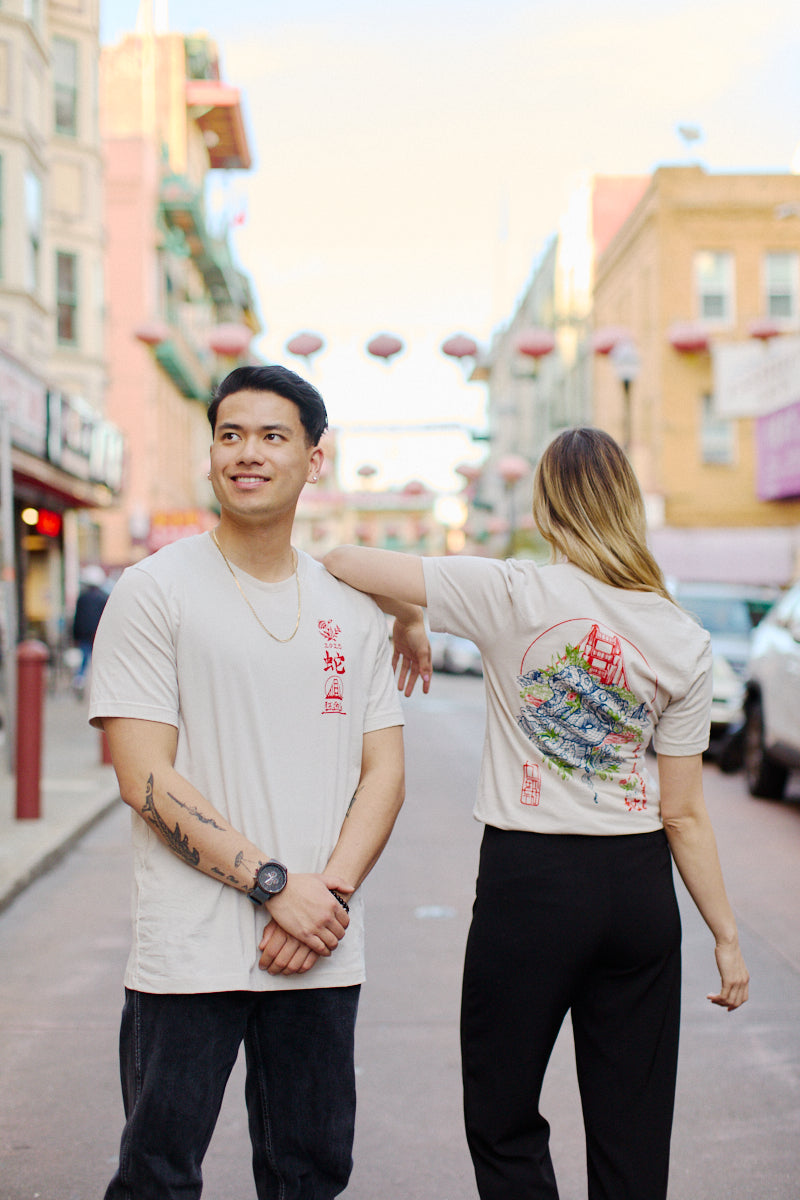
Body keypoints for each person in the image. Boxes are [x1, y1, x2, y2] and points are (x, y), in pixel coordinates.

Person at [324, 426, 750, 1200]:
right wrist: (725, 936)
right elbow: (685, 814)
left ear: (548, 509)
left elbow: (343, 562)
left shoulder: (511, 592)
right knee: (633, 1128)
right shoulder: (682, 636)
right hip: (639, 888)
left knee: (502, 1112)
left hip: (533, 884)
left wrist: (410, 618)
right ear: (627, 508)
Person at [89, 364, 422, 1200]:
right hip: (190, 951)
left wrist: (326, 897)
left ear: (314, 459)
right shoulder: (154, 590)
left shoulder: (349, 607)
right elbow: (143, 775)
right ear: (210, 456)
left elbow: (384, 771)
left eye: (273, 436)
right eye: (230, 435)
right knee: (158, 1176)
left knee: (311, 1173)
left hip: (316, 948)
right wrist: (274, 885)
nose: (248, 453)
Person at [71, 565, 108, 695]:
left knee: (84, 660)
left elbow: (77, 618)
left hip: (84, 635)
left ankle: (79, 680)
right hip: (99, 635)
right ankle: (99, 686)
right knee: (100, 662)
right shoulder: (104, 598)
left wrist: (75, 636)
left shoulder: (82, 598)